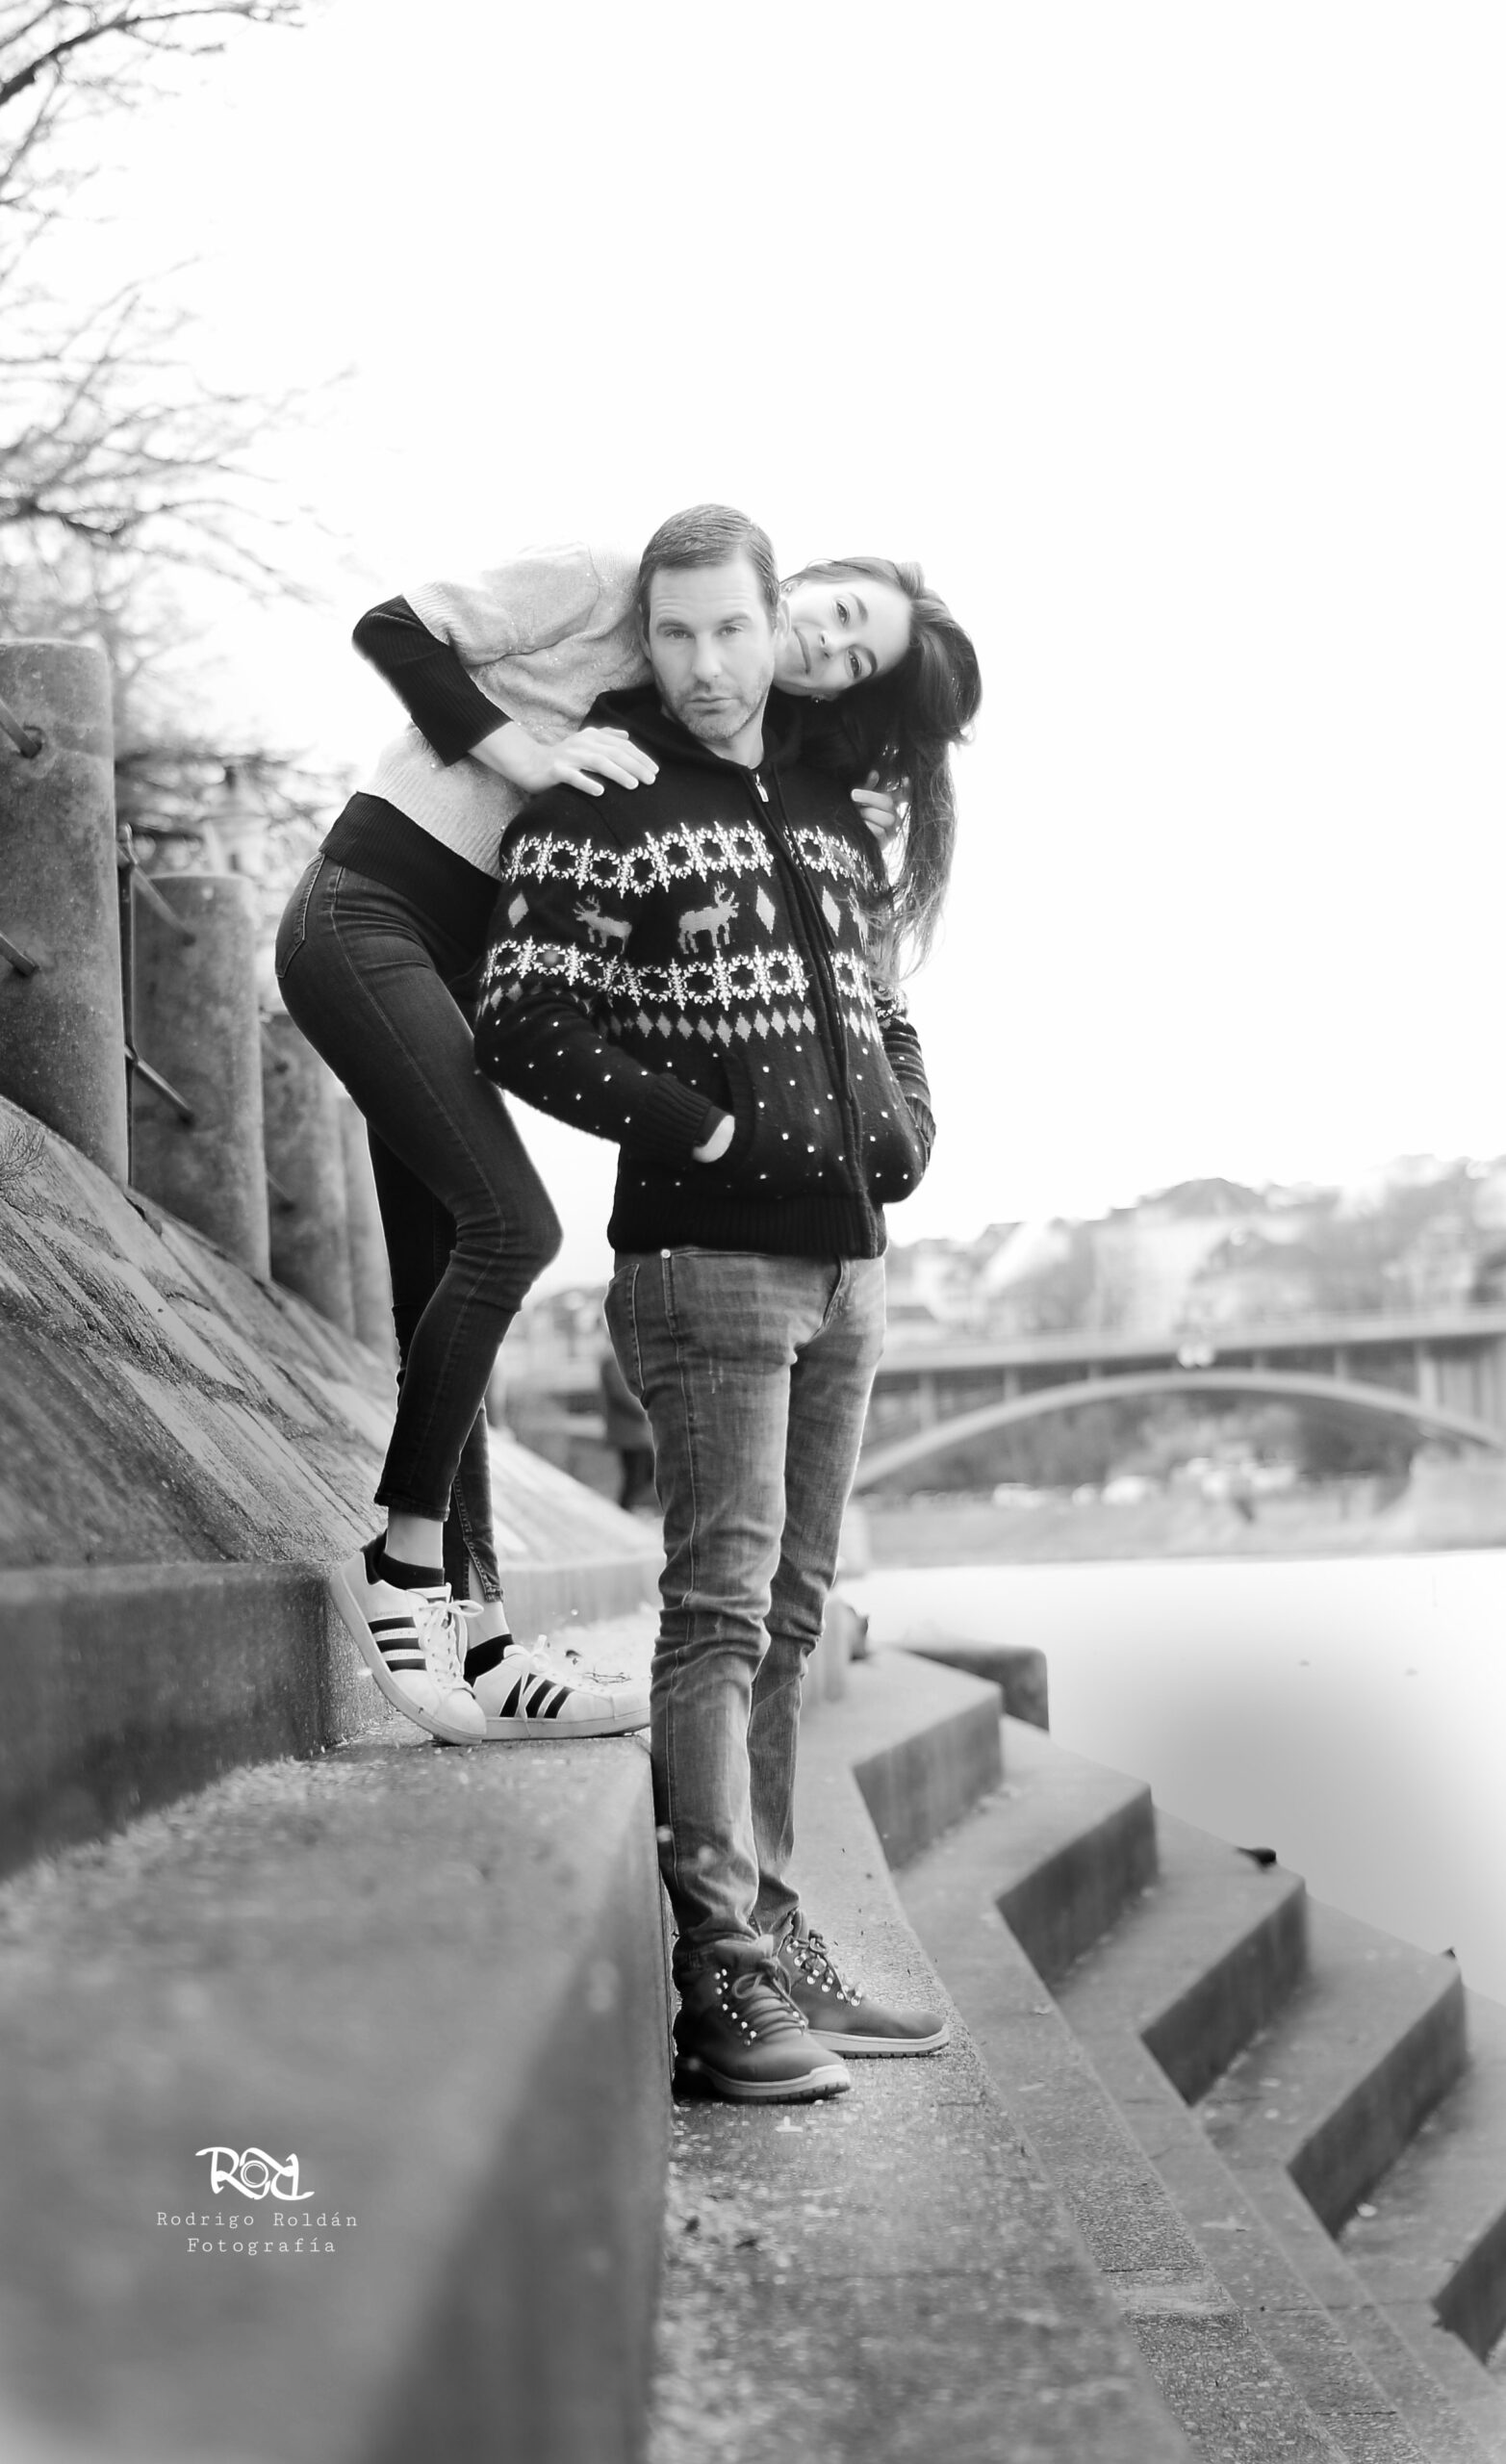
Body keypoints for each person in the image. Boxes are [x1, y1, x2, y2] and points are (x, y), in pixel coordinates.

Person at [274, 529, 980, 1751]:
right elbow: (395, 627)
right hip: (366, 915)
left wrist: (861, 801)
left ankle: (481, 1642)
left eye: (848, 659)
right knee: (513, 1226)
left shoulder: (727, 707)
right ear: (803, 576)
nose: (820, 643)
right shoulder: (616, 586)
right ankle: (398, 1565)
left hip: (452, 969)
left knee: (441, 1275)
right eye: (835, 610)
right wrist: (528, 753)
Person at [474, 504, 969, 2100]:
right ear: (658, 630)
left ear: (772, 624)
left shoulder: (828, 810)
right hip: (707, 1267)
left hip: (849, 1265)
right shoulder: (605, 794)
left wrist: (905, 1127)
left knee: (794, 1618)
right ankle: (722, 1986)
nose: (707, 662)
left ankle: (775, 1922)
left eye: (733, 629)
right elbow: (522, 1020)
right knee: (720, 1613)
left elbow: (882, 996)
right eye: (678, 631)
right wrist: (704, 1132)